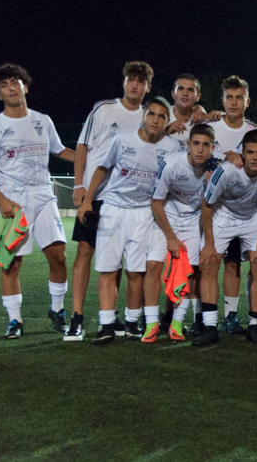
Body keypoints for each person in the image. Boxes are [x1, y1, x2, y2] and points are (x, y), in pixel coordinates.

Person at [0, 63, 76, 338]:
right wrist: (1, 199)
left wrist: (89, 158)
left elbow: (60, 151)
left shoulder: (43, 120)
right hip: (14, 201)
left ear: (25, 87)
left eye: (15, 82)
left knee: (58, 255)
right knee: (12, 262)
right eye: (4, 85)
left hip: (43, 195)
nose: (11, 88)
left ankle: (57, 311)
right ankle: (15, 321)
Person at [78, 97, 180, 344]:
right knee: (108, 269)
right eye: (151, 114)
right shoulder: (122, 139)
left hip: (144, 213)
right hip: (114, 210)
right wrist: (88, 199)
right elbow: (102, 168)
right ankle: (106, 324)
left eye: (162, 116)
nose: (155, 120)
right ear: (143, 116)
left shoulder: (172, 147)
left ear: (167, 121)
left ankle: (132, 322)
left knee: (136, 271)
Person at [67, 61, 154, 340]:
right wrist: (80, 185)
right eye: (131, 79)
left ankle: (112, 314)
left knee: (115, 260)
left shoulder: (148, 116)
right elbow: (82, 146)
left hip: (123, 200)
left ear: (148, 86)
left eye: (140, 81)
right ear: (124, 82)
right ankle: (77, 316)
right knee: (84, 251)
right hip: (95, 196)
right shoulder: (103, 109)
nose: (135, 85)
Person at [198, 129, 257, 346]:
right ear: (242, 153)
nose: (255, 157)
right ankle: (210, 327)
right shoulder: (226, 171)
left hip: (252, 216)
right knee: (209, 262)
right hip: (223, 213)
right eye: (250, 152)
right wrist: (209, 244)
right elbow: (207, 206)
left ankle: (255, 325)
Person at [141, 124, 216, 343]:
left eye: (206, 145)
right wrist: (171, 238)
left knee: (189, 272)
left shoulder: (216, 169)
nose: (200, 149)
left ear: (212, 148)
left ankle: (176, 323)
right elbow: (156, 203)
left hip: (193, 222)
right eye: (196, 144)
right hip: (166, 219)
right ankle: (151, 323)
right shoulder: (172, 164)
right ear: (188, 145)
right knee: (152, 265)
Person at [165, 73, 221, 150]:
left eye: (190, 90)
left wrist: (221, 114)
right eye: (180, 88)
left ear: (198, 97)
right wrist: (165, 132)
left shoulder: (203, 121)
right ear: (173, 94)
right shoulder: (161, 115)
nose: (185, 93)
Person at [209, 75, 257, 158]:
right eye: (229, 97)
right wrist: (222, 158)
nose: (233, 103)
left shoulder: (254, 131)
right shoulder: (209, 127)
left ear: (247, 102)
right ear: (222, 101)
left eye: (239, 98)